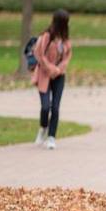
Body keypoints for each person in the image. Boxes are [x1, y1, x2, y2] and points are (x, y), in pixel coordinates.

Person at [31, 9, 73, 150]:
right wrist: (51, 69)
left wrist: (59, 69)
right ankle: (43, 127)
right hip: (44, 75)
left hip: (59, 76)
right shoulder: (46, 37)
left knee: (55, 107)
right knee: (45, 106)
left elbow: (67, 56)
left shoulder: (65, 39)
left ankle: (51, 137)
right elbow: (39, 54)